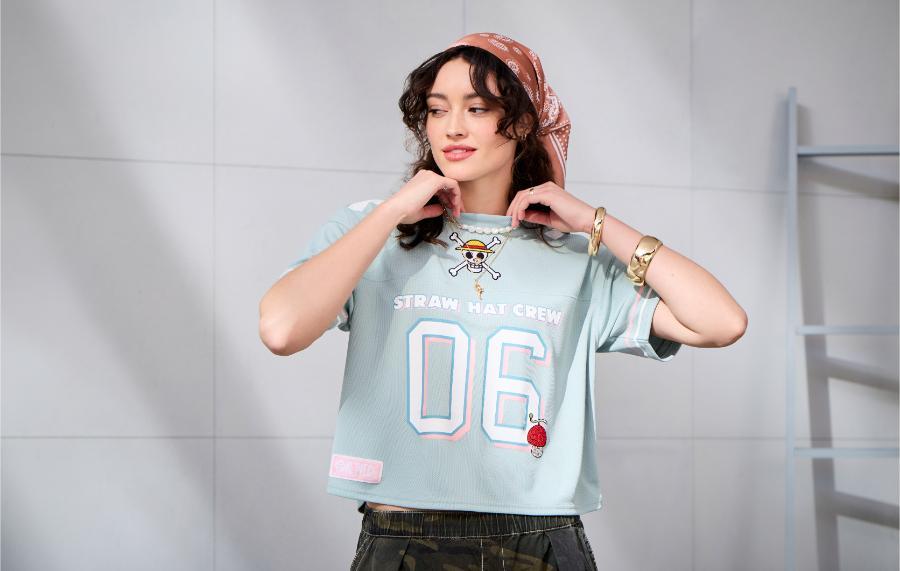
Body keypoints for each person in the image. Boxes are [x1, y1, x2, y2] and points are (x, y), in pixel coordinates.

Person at [259, 32, 747, 571]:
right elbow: (281, 329)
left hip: (540, 538)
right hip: (404, 537)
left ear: (520, 123)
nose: (452, 127)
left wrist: (596, 223)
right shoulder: (371, 233)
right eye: (437, 109)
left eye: (477, 108)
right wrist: (390, 212)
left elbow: (721, 322)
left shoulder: (573, 254)